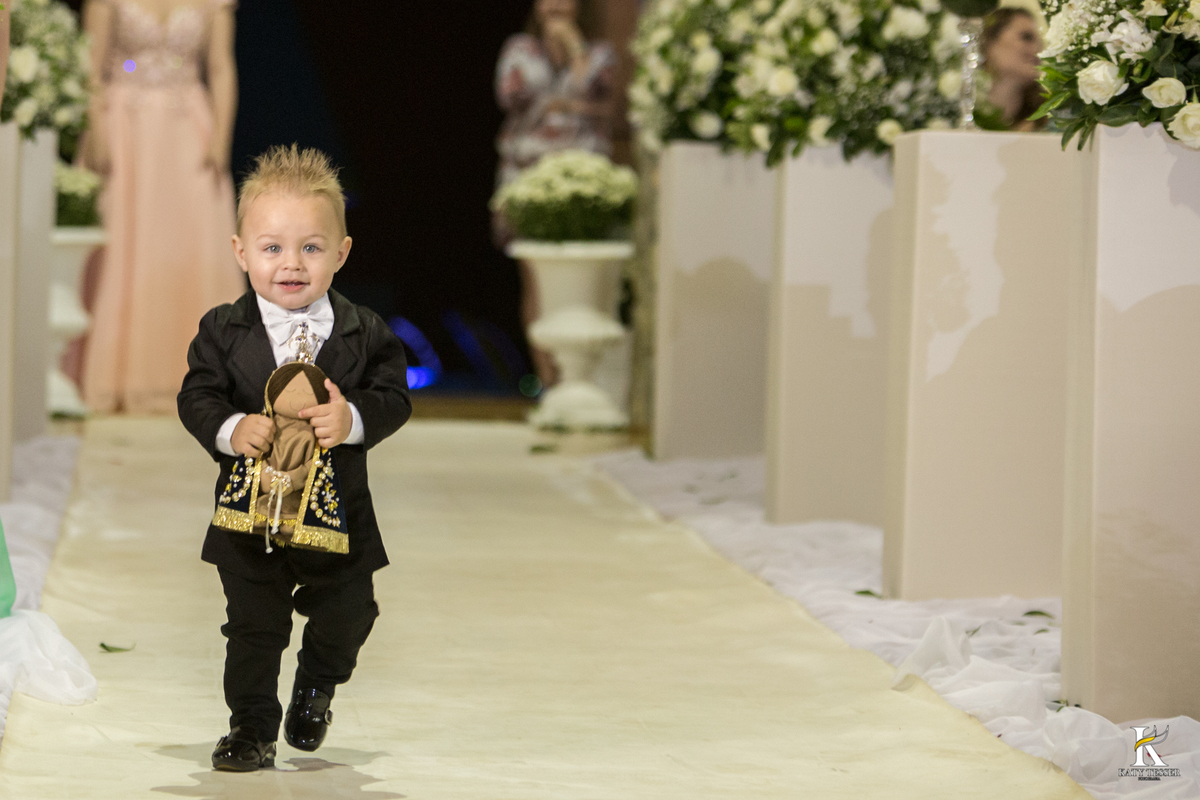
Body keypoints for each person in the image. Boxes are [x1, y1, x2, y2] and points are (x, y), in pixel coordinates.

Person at [177, 145, 411, 772]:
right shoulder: (223, 330)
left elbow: (394, 396)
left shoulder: (364, 332)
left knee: (351, 610)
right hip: (250, 517)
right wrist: (231, 427)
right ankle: (251, 728)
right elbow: (196, 396)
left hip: (336, 516)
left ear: (342, 252)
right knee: (253, 628)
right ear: (241, 251)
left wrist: (353, 418)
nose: (291, 264)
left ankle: (317, 683)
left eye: (311, 247)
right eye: (272, 247)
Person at [81, 0, 245, 414]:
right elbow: (91, 65)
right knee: (125, 250)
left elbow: (221, 67)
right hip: (124, 129)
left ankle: (197, 379)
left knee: (190, 250)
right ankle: (120, 380)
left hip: (188, 128)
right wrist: (95, 127)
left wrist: (221, 138)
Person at [495, 0, 617, 385]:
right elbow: (512, 96)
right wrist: (571, 104)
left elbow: (602, 98)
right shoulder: (520, 50)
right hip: (528, 180)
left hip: (584, 184)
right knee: (536, 282)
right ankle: (549, 381)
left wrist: (574, 48)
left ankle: (579, 382)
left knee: (580, 280)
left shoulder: (598, 52)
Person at [980, 7, 1046, 131]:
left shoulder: (1049, 116)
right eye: (1027, 37)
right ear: (990, 42)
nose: (1038, 50)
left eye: (1040, 42)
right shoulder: (956, 110)